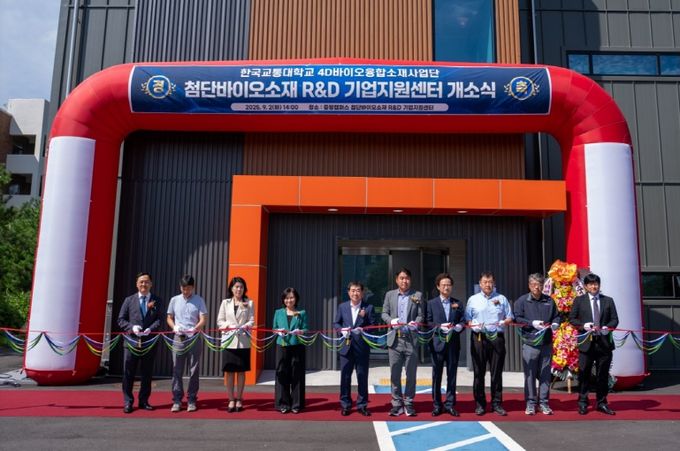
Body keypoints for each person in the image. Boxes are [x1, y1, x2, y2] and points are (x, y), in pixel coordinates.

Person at [569, 273, 619, 416]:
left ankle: (602, 402)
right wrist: (583, 325)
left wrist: (608, 327)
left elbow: (615, 319)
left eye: (596, 284)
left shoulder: (608, 300)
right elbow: (572, 319)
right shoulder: (579, 301)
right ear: (585, 286)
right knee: (584, 374)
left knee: (602, 375)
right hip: (586, 343)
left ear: (599, 285)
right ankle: (583, 402)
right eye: (590, 284)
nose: (593, 286)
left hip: (604, 344)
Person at [464, 271, 513, 416]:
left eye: (490, 282)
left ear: (494, 283)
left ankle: (496, 403)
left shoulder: (501, 298)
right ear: (480, 284)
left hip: (497, 338)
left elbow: (510, 317)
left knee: (496, 373)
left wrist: (504, 322)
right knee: (479, 372)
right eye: (485, 282)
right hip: (479, 338)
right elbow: (467, 319)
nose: (488, 284)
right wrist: (472, 324)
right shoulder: (473, 299)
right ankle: (480, 404)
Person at [513, 273, 561, 416]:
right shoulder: (522, 301)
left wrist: (556, 323)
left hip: (546, 343)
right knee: (530, 375)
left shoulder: (549, 301)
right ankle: (530, 403)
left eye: (539, 284)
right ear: (529, 286)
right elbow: (517, 318)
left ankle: (544, 403)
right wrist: (531, 323)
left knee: (545, 375)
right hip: (530, 343)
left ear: (543, 286)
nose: (536, 287)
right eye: (533, 284)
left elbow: (557, 316)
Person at [117, 272, 164, 413]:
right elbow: (120, 319)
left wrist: (151, 329)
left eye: (147, 282)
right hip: (131, 342)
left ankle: (144, 401)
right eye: (141, 282)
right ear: (137, 284)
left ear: (151, 284)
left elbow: (160, 319)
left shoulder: (157, 300)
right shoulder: (129, 300)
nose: (144, 284)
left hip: (149, 343)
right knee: (128, 373)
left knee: (147, 373)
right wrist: (132, 327)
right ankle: (128, 402)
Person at [381, 268, 423, 417]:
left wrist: (415, 323)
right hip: (395, 340)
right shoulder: (390, 295)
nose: (404, 281)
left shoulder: (417, 295)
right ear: (396, 280)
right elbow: (384, 313)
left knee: (411, 374)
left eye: (407, 278)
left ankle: (409, 403)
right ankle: (397, 403)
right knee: (395, 374)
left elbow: (421, 315)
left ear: (410, 280)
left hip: (411, 340)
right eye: (401, 278)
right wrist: (391, 321)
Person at [426, 273, 466, 417]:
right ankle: (437, 405)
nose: (446, 287)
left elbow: (463, 320)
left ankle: (450, 404)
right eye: (443, 285)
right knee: (437, 375)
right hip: (437, 343)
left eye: (449, 285)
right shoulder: (431, 303)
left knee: (452, 375)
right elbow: (427, 322)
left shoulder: (458, 303)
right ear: (438, 287)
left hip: (453, 344)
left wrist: (460, 326)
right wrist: (439, 327)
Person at [166, 275, 207, 413]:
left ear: (193, 288)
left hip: (193, 337)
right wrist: (174, 327)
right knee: (176, 369)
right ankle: (177, 400)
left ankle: (192, 399)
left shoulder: (199, 300)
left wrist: (195, 328)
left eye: (188, 289)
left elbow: (203, 318)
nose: (186, 291)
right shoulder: (174, 300)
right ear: (180, 287)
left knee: (194, 369)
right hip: (178, 338)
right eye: (183, 288)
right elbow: (169, 317)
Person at [333, 281, 374, 416]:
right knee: (345, 377)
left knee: (362, 376)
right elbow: (336, 323)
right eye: (353, 290)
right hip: (346, 347)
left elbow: (373, 325)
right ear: (348, 292)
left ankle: (362, 405)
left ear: (362, 293)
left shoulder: (368, 308)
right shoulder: (342, 306)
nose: (355, 293)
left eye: (358, 290)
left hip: (362, 347)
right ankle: (345, 404)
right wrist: (342, 330)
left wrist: (364, 329)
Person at [217, 276, 255, 413]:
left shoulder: (249, 302)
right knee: (229, 371)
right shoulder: (225, 303)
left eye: (241, 287)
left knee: (241, 371)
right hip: (229, 341)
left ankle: (239, 398)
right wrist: (228, 325)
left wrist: (245, 326)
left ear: (244, 289)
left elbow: (251, 320)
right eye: (236, 287)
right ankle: (231, 399)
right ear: (231, 289)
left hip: (243, 341)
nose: (239, 289)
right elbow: (220, 321)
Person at [272, 287, 308, 414]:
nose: (289, 300)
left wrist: (301, 331)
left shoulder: (302, 313)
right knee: (282, 373)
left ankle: (296, 404)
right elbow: (274, 328)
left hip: (297, 345)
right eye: (286, 298)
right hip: (282, 345)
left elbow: (305, 328)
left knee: (297, 374)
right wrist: (278, 331)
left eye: (292, 297)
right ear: (283, 299)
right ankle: (283, 403)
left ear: (296, 299)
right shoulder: (278, 312)